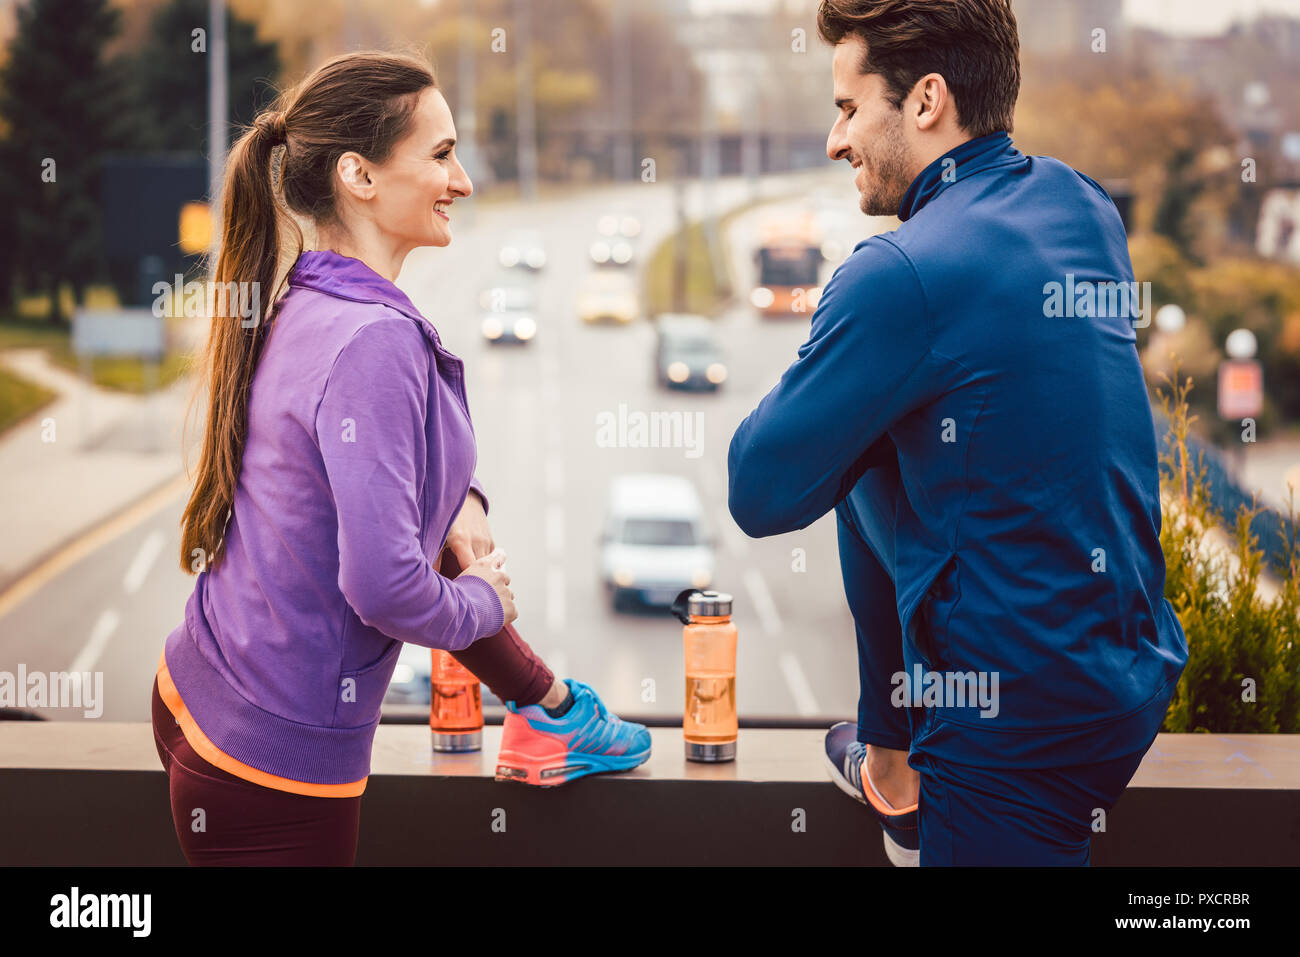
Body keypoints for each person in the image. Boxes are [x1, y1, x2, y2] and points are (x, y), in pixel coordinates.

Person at [152, 51, 650, 866]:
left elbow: (372, 474)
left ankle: (550, 706)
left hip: (200, 689)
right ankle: (552, 708)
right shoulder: (374, 340)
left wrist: (461, 500)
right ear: (359, 175)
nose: (463, 180)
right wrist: (484, 602)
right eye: (441, 154)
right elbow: (383, 587)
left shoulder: (306, 298)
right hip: (270, 769)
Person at [727, 0, 1188, 866]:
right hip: (1129, 671)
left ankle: (903, 768)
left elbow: (757, 489)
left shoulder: (900, 274)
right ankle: (892, 765)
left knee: (856, 438)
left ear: (927, 99)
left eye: (847, 108)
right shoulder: (1081, 204)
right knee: (877, 449)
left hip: (1013, 731)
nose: (836, 142)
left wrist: (839, 355)